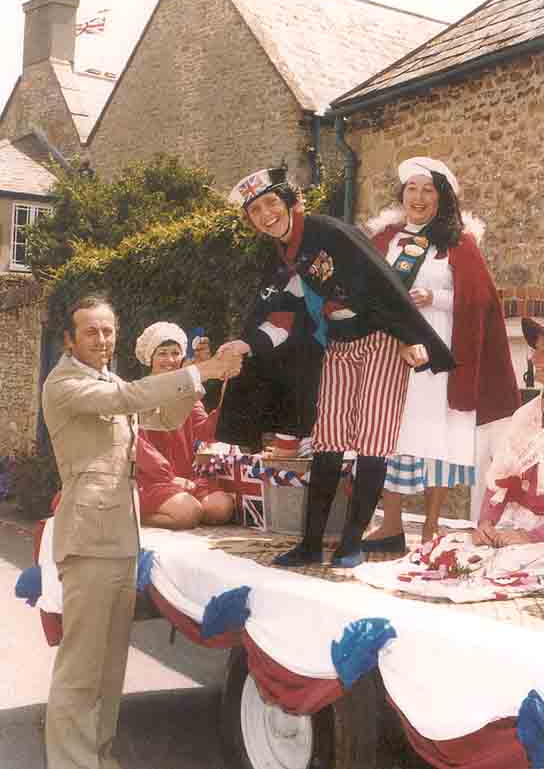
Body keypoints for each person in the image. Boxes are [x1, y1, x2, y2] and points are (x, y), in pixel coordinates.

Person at [218, 166, 455, 569]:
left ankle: (351, 543)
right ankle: (311, 543)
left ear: (293, 203)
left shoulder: (331, 233)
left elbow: (383, 286)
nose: (266, 214)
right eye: (255, 210)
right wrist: (245, 342)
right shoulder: (280, 255)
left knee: (373, 439)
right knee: (328, 440)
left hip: (381, 339)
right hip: (339, 343)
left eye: (272, 203)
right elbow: (280, 314)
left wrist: (406, 336)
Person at [41, 294, 241, 769]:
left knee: (109, 670)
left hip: (120, 539)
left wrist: (195, 381)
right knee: (80, 671)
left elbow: (163, 417)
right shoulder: (65, 385)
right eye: (91, 331)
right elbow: (130, 399)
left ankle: (99, 757)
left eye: (108, 330)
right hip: (88, 541)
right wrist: (200, 371)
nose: (102, 339)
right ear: (69, 339)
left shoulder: (108, 380)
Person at [363, 157, 519, 548]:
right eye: (412, 188)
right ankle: (392, 524)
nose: (418, 197)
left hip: (441, 358)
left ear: (441, 197)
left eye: (427, 190)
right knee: (391, 432)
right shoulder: (386, 240)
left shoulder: (458, 243)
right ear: (402, 194)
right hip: (392, 355)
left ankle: (431, 527)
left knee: (438, 437)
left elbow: (480, 298)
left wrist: (435, 297)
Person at [135, 321, 234, 529]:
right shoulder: (140, 394)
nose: (170, 360)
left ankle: (181, 510)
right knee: (188, 515)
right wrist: (171, 479)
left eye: (175, 353)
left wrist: (228, 392)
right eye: (162, 353)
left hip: (185, 478)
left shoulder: (187, 394)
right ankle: (134, 517)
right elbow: (137, 448)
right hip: (149, 480)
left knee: (222, 507)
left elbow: (208, 433)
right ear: (150, 358)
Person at [473, 317, 544, 547]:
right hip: (519, 523)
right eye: (536, 350)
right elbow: (500, 475)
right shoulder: (525, 415)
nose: (533, 358)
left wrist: (533, 537)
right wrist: (486, 523)